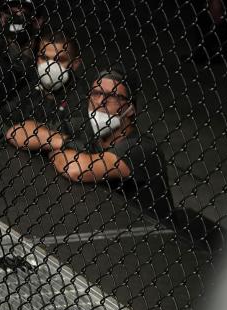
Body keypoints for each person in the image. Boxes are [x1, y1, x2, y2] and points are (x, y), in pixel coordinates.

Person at [30, 67, 174, 221]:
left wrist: (53, 148)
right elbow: (20, 132)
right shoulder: (84, 127)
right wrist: (64, 142)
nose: (100, 102)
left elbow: (75, 169)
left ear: (130, 109)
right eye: (96, 93)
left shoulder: (142, 148)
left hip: (154, 233)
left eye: (112, 96)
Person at [5, 28, 86, 149]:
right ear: (37, 58)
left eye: (60, 60)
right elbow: (2, 119)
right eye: (44, 58)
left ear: (75, 64)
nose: (50, 66)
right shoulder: (31, 85)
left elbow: (75, 140)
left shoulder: (81, 98)